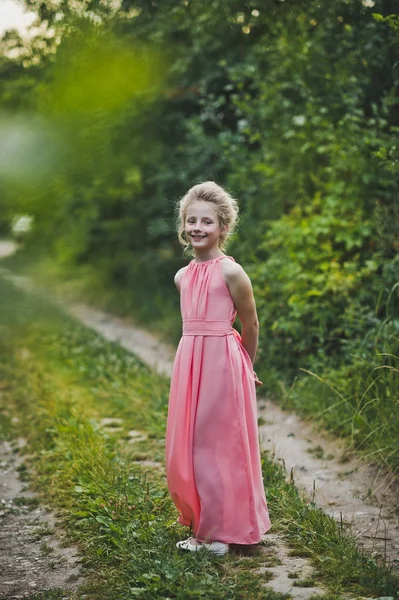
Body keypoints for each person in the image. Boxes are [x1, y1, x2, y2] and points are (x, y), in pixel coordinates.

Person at [165, 181, 271, 556]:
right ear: (183, 226)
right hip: (190, 361)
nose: (197, 227)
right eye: (191, 220)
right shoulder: (182, 277)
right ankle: (201, 524)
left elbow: (251, 324)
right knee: (190, 446)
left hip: (223, 364)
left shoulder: (232, 273)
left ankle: (222, 533)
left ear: (223, 228)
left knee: (217, 446)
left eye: (206, 222)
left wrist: (245, 365)